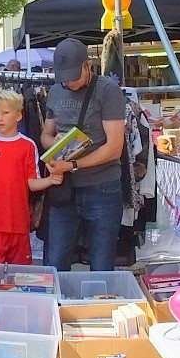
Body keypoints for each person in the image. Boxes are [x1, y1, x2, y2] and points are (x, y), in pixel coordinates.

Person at [41, 38, 127, 271]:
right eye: (64, 76)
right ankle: (56, 307)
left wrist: (72, 165)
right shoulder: (55, 90)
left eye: (73, 75)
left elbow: (113, 147)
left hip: (102, 188)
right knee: (55, 261)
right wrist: (54, 145)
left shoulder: (108, 90)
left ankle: (97, 307)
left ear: (88, 65)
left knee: (101, 261)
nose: (68, 82)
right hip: (64, 188)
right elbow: (45, 136)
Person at [0, 89, 63, 264]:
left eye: (5, 113)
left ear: (19, 116)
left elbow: (32, 183)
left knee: (20, 275)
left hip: (19, 223)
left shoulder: (28, 146)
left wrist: (50, 180)